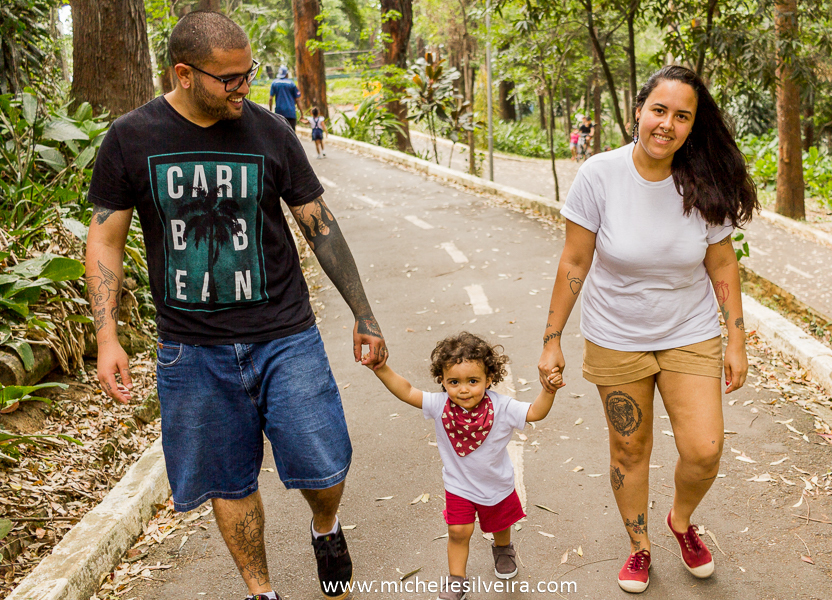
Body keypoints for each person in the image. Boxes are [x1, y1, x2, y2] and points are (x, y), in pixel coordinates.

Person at [84, 11, 387, 600]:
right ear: (184, 74)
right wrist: (107, 336)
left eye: (248, 73)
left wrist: (364, 313)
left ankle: (325, 524)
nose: (245, 87)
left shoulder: (270, 131)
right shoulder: (131, 137)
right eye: (230, 78)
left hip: (285, 335)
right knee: (227, 480)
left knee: (325, 464)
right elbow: (105, 238)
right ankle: (261, 590)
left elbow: (319, 225)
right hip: (192, 349)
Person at [538, 65, 758, 594]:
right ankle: (639, 545)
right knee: (629, 451)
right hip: (616, 337)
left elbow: (722, 262)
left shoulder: (703, 180)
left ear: (692, 125)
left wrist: (737, 339)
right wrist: (552, 339)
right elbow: (574, 261)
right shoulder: (600, 175)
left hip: (690, 331)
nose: (667, 124)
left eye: (682, 116)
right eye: (659, 110)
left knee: (704, 449)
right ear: (638, 111)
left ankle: (680, 522)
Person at [366, 332, 563, 600]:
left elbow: (535, 412)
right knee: (458, 531)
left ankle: (503, 549)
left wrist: (548, 391)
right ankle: (456, 579)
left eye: (473, 381)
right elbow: (408, 391)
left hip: (496, 483)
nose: (463, 389)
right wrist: (381, 369)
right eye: (454, 382)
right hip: (458, 486)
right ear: (442, 381)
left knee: (500, 524)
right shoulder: (439, 405)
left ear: (488, 379)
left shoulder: (503, 407)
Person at [268, 65, 303, 129]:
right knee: (291, 133)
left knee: (280, 132)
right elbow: (297, 100)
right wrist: (302, 114)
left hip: (279, 113)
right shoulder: (291, 84)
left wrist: (270, 112)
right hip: (291, 113)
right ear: (287, 74)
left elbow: (270, 99)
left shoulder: (274, 83)